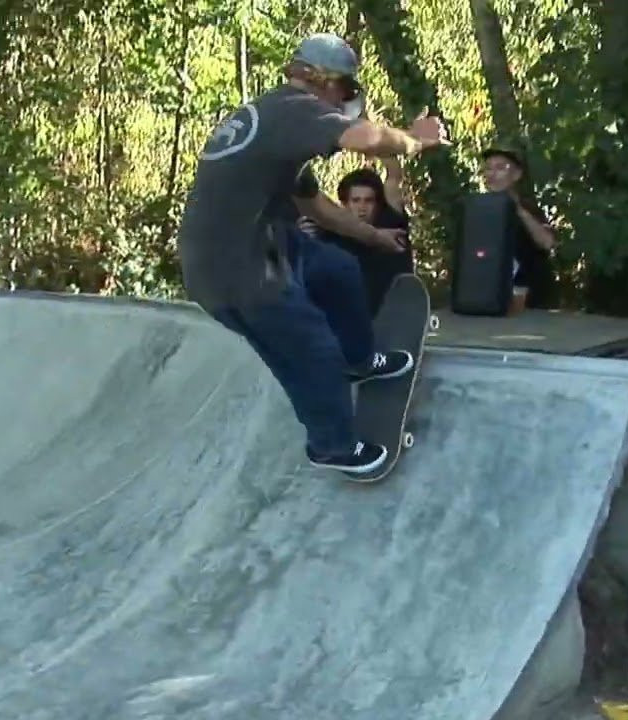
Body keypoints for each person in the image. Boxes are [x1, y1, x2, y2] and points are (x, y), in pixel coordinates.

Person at [176, 32, 449, 477]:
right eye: (344, 92)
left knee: (337, 268)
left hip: (266, 245)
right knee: (311, 350)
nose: (343, 103)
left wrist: (373, 237)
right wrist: (415, 140)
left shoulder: (275, 127)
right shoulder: (294, 109)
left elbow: (316, 207)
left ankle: (359, 360)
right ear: (324, 81)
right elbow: (364, 138)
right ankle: (332, 446)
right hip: (240, 274)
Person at [301, 159, 412, 316]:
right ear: (345, 204)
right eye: (356, 201)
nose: (362, 208)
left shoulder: (392, 225)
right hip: (346, 312)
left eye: (368, 201)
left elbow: (393, 176)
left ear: (378, 205)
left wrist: (377, 146)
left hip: (388, 310)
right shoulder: (329, 234)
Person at [480, 146, 558, 311]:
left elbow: (547, 242)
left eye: (500, 168)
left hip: (533, 300)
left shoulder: (528, 208)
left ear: (516, 175)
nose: (492, 174)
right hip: (493, 297)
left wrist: (519, 211)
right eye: (488, 168)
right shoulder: (479, 209)